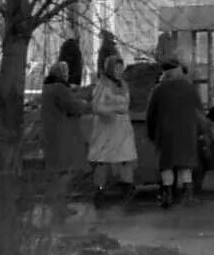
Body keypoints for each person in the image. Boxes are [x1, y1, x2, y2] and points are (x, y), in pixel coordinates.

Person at [145, 60, 202, 208]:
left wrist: (151, 133)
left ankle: (167, 196)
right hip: (187, 132)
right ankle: (188, 196)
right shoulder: (190, 88)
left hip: (165, 132)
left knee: (167, 165)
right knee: (185, 165)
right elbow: (198, 109)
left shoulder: (159, 89)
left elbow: (151, 114)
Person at [88, 55, 138, 204]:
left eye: (120, 68)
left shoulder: (123, 85)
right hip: (106, 129)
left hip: (122, 129)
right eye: (116, 68)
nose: (119, 71)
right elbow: (96, 107)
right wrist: (114, 110)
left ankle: (127, 190)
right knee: (103, 161)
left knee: (125, 159)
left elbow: (127, 103)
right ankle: (100, 191)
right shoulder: (102, 85)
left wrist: (122, 110)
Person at [40, 60, 89, 178]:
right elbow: (73, 106)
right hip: (63, 132)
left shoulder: (47, 87)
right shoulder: (60, 89)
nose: (67, 75)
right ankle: (63, 192)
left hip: (52, 130)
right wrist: (84, 103)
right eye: (65, 72)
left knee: (56, 167)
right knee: (65, 168)